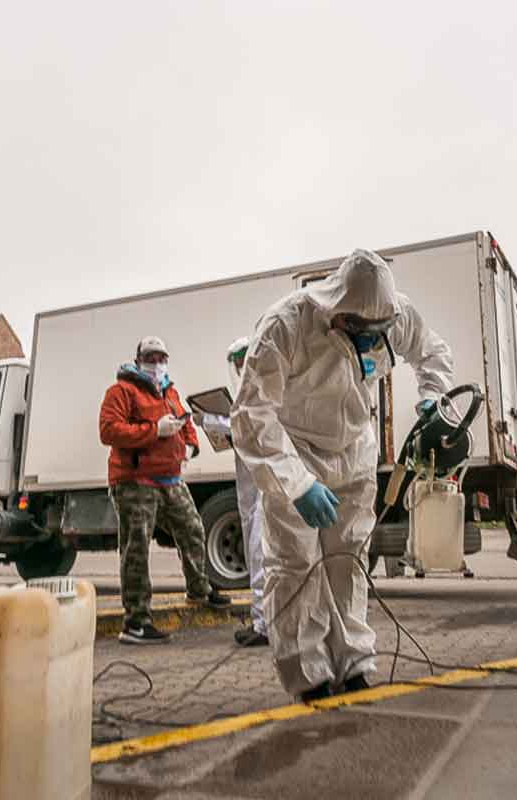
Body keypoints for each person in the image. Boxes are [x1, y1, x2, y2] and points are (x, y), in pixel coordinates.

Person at [232, 249, 453, 701]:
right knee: (296, 565)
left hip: (354, 451)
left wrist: (434, 396)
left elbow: (432, 352)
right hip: (297, 451)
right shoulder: (286, 325)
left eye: (376, 333)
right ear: (337, 312)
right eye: (357, 330)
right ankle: (307, 674)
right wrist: (296, 483)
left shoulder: (397, 315)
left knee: (348, 561)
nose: (368, 341)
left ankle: (353, 661)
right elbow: (252, 415)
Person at [99, 335, 230, 645]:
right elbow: (109, 430)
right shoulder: (121, 391)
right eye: (151, 357)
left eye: (161, 357)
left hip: (170, 479)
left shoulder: (169, 390)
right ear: (139, 359)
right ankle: (136, 621)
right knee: (136, 549)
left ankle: (199, 589)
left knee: (193, 529)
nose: (157, 363)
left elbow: (184, 423)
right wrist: (154, 431)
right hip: (135, 481)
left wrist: (191, 447)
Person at [199, 337, 269, 647]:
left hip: (266, 492)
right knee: (259, 555)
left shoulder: (262, 389)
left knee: (262, 554)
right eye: (237, 361)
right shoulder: (249, 392)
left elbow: (249, 427)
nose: (240, 365)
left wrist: (213, 421)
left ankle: (265, 625)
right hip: (254, 491)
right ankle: (265, 621)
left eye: (243, 359)